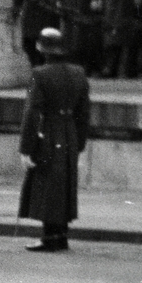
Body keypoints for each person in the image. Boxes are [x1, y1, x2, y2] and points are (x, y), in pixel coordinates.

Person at [18, 27, 91, 252]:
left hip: (49, 130)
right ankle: (60, 234)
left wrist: (26, 147)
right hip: (69, 130)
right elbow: (84, 111)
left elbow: (32, 113)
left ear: (42, 49)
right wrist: (80, 141)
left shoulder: (39, 74)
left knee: (48, 183)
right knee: (65, 183)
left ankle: (50, 236)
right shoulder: (79, 73)